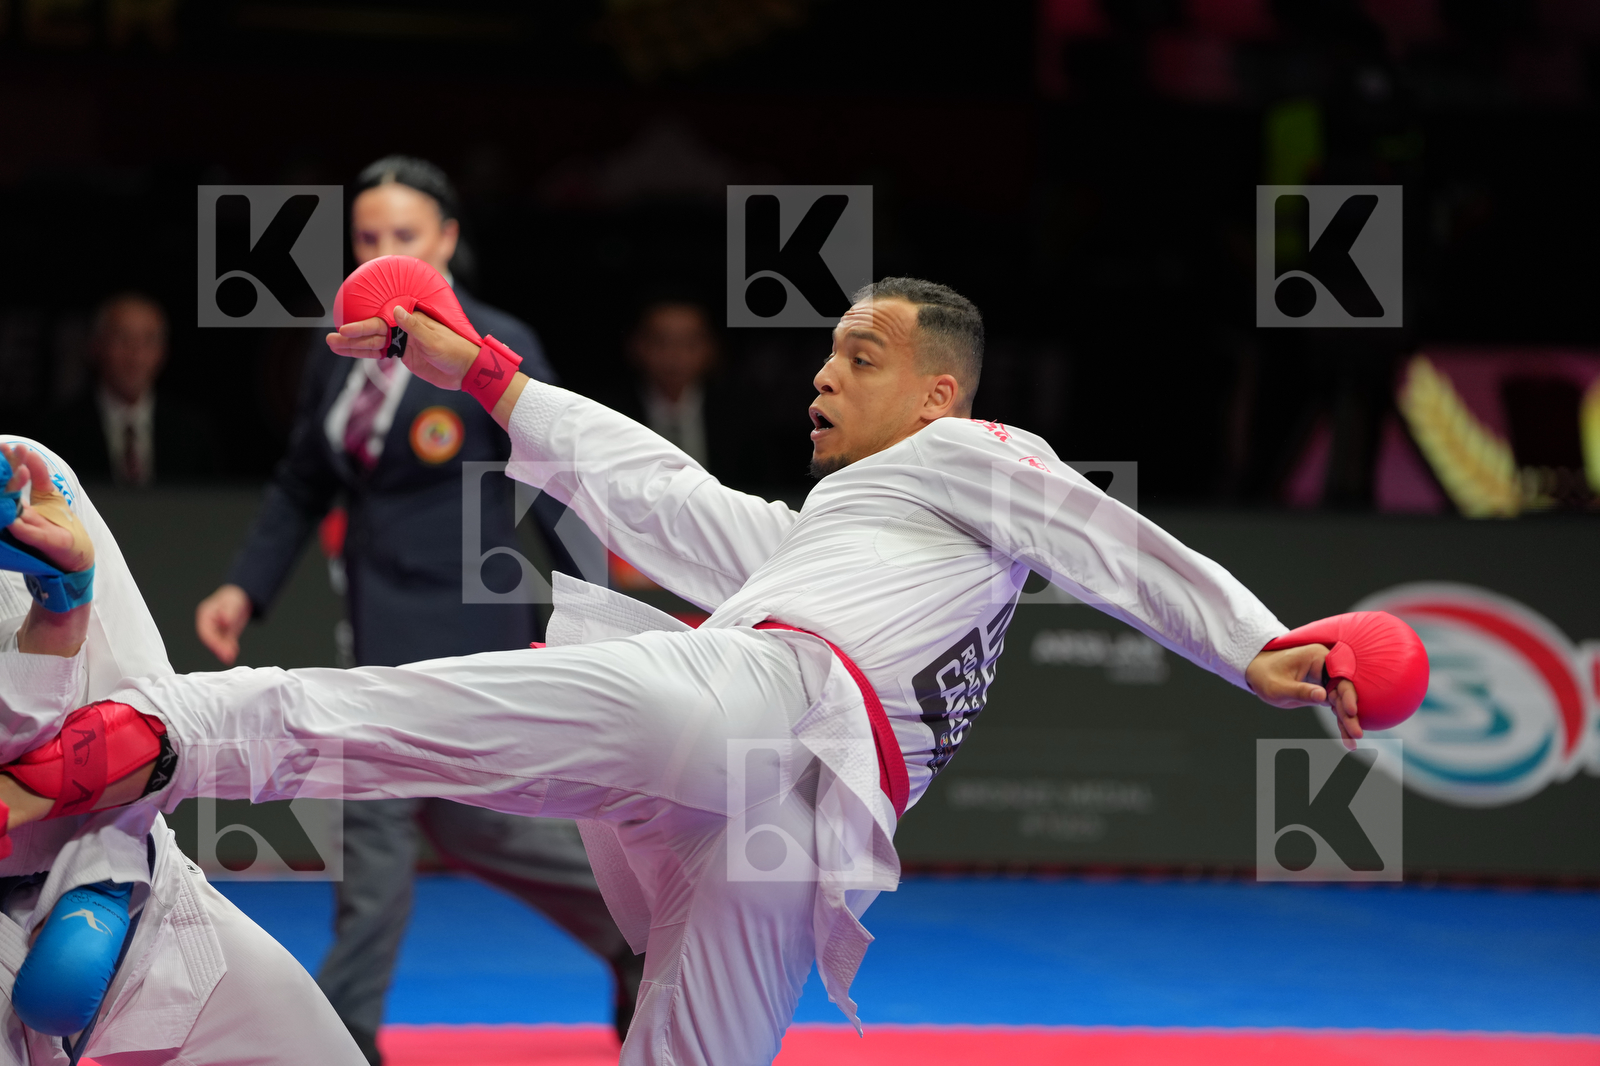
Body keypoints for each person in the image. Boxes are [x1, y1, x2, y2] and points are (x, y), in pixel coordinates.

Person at [0, 277, 1361, 1066]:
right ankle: (152, 733)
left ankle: (161, 733)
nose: (825, 374)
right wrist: (482, 370)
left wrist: (1253, 640)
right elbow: (656, 490)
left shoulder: (975, 456)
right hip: (763, 747)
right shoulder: (829, 537)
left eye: (862, 357)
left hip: (785, 775)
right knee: (428, 717)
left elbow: (1105, 541)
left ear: (943, 396)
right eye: (825, 351)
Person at [189, 156, 639, 1063]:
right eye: (367, 238)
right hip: (374, 643)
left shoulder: (492, 344)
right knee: (373, 836)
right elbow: (303, 481)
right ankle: (344, 1036)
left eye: (404, 236)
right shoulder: (339, 353)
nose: (383, 252)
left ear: (445, 242)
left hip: (469, 645)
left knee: (482, 826)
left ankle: (645, 940)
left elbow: (551, 477)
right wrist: (247, 585)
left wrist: (596, 611)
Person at [0, 437, 367, 1065]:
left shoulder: (28, 475)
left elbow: (147, 714)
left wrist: (106, 875)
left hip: (129, 883)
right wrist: (54, 632)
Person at [46, 294, 216, 486]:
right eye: (122, 338)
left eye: (148, 340)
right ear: (97, 346)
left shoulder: (191, 433)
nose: (135, 355)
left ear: (163, 351)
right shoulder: (56, 432)